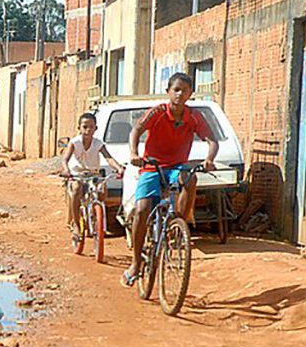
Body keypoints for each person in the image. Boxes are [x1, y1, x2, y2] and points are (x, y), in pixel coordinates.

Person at [121, 72, 217, 287]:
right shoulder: (157, 112)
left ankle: (179, 223)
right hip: (151, 166)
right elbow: (137, 130)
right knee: (142, 209)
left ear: (190, 94)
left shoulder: (194, 117)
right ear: (168, 92)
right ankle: (136, 262)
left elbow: (212, 141)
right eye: (176, 90)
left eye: (185, 90)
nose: (180, 94)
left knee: (190, 178)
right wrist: (134, 153)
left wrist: (210, 159)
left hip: (177, 167)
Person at [60, 112, 125, 242]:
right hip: (77, 174)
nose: (88, 130)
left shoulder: (98, 144)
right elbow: (64, 159)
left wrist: (118, 168)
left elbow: (108, 157)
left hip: (93, 174)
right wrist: (66, 170)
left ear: (96, 128)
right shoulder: (74, 142)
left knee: (101, 191)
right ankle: (77, 226)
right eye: (85, 126)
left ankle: (98, 219)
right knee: (77, 189)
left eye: (91, 127)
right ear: (79, 128)